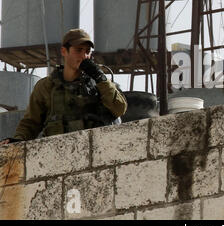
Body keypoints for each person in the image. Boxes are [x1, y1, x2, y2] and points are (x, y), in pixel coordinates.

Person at [0, 29, 128, 146]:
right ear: (64, 51)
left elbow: (119, 109)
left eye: (87, 52)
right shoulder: (47, 87)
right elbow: (31, 123)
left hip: (94, 152)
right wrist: (17, 140)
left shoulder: (100, 84)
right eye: (79, 50)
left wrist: (101, 79)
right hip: (58, 155)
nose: (84, 56)